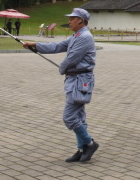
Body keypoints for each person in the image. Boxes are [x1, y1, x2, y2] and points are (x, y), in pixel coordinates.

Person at [21, 8, 99, 163]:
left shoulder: (85, 37)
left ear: (81, 21)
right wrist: (35, 45)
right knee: (78, 117)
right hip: (75, 80)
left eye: (72, 19)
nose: (69, 21)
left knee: (69, 117)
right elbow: (56, 46)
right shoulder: (76, 35)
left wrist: (62, 68)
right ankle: (82, 148)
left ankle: (90, 144)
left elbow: (72, 58)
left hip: (80, 80)